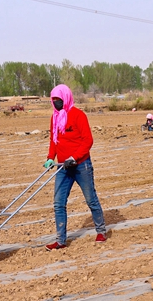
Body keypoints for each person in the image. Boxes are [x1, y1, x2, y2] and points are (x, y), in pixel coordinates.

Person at [43, 84, 107, 250]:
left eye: (59, 100)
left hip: (81, 165)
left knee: (90, 199)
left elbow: (87, 140)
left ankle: (101, 231)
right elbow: (53, 140)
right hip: (63, 167)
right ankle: (61, 241)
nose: (56, 103)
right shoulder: (55, 117)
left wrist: (75, 157)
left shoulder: (78, 115)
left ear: (66, 98)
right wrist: (50, 158)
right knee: (58, 203)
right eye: (53, 100)